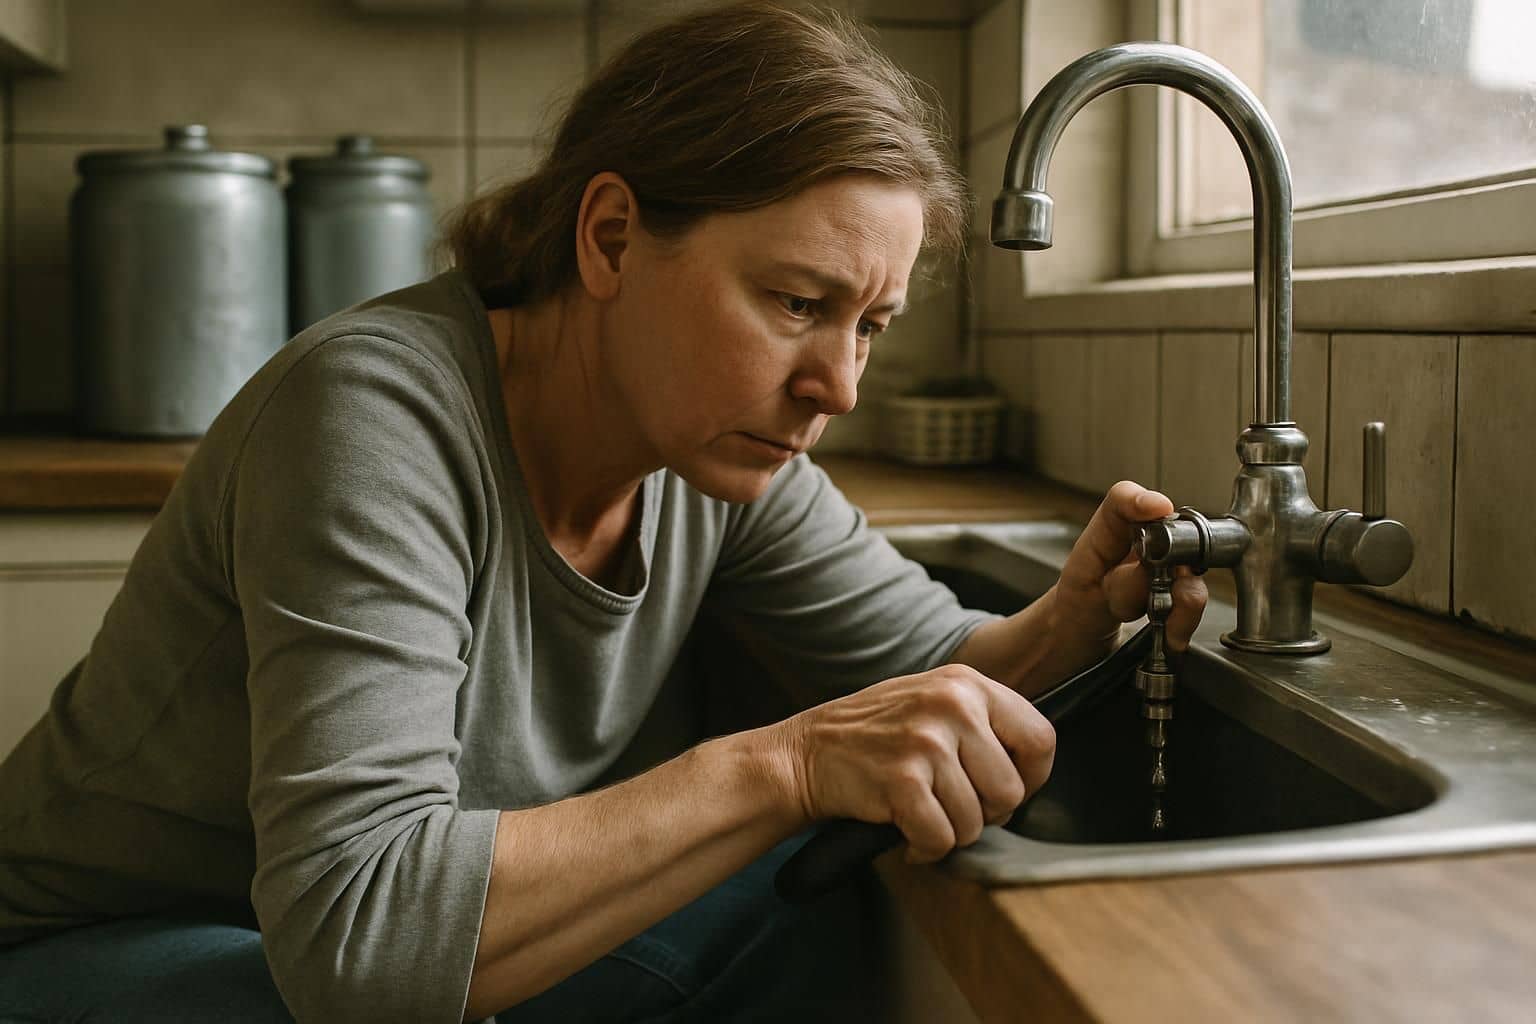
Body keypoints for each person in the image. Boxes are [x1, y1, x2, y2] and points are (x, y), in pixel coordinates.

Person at [0, 2, 1206, 1022]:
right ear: (612, 236)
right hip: (104, 948)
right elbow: (361, 937)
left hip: (323, 952)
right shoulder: (372, 416)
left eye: (869, 326)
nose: (837, 386)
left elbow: (933, 669)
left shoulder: (710, 452)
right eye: (795, 301)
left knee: (816, 891)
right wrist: (788, 762)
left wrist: (1069, 616)